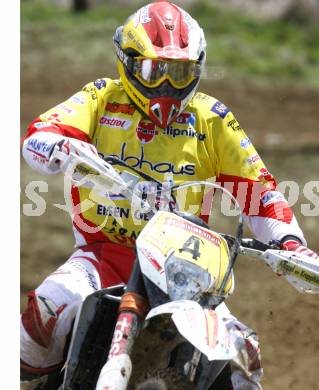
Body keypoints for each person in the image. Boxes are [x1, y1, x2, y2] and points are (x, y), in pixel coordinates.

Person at [21, 1, 318, 389]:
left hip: (189, 273)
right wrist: (60, 147)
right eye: (153, 70)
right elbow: (39, 136)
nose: (166, 85)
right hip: (106, 256)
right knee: (47, 312)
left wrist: (292, 245)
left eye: (179, 73)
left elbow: (259, 190)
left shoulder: (212, 118)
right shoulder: (101, 98)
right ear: (128, 62)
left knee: (244, 357)